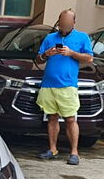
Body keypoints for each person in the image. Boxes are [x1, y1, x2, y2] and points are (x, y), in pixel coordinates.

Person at [35, 9, 94, 165]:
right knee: (52, 118)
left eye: (68, 22)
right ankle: (53, 149)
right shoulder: (49, 38)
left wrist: (72, 53)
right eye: (62, 22)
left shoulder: (82, 37)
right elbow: (38, 59)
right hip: (48, 85)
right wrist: (46, 54)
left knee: (70, 119)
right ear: (59, 22)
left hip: (68, 85)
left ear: (73, 22)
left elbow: (89, 58)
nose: (65, 24)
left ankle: (74, 153)